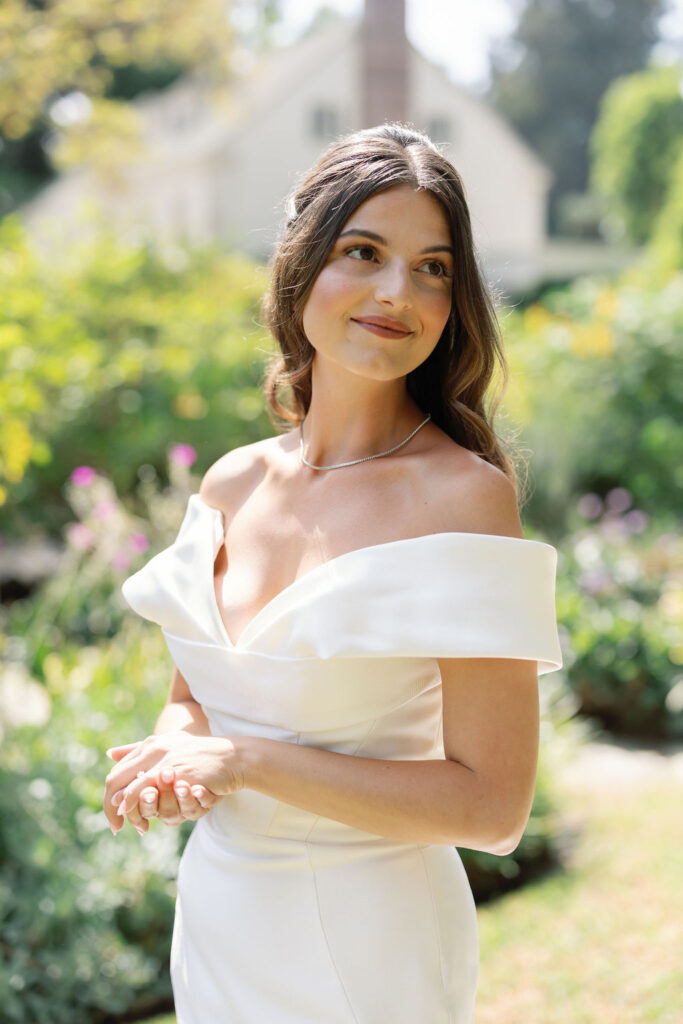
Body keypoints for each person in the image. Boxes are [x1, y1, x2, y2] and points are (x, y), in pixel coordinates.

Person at [103, 123, 562, 1023]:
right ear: (300, 261)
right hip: (222, 920)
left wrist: (243, 760)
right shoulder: (230, 481)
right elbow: (195, 696)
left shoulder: (464, 498)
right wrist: (174, 758)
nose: (400, 291)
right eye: (364, 252)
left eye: (433, 267)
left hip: (367, 944)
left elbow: (489, 807)